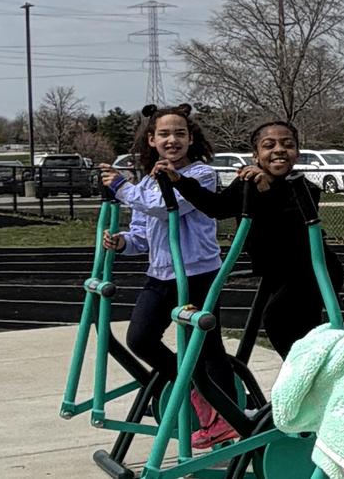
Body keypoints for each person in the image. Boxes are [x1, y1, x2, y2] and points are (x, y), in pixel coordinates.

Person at [98, 103, 241, 448]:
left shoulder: (201, 175)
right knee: (140, 339)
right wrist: (121, 243)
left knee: (208, 348)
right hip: (161, 274)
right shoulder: (147, 182)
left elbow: (166, 208)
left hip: (197, 274)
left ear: (191, 138)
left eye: (180, 133)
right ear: (151, 140)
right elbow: (143, 233)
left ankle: (228, 417)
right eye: (164, 134)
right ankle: (196, 390)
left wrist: (121, 187)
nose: (172, 140)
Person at [166, 120, 344, 357]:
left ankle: (303, 376)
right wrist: (180, 181)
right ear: (256, 156)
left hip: (312, 270)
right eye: (269, 145)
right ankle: (303, 376)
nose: (279, 150)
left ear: (297, 153)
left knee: (278, 319)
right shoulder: (245, 183)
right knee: (297, 329)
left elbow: (290, 227)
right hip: (279, 272)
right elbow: (217, 208)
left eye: (287, 145)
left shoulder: (304, 188)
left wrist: (265, 189)